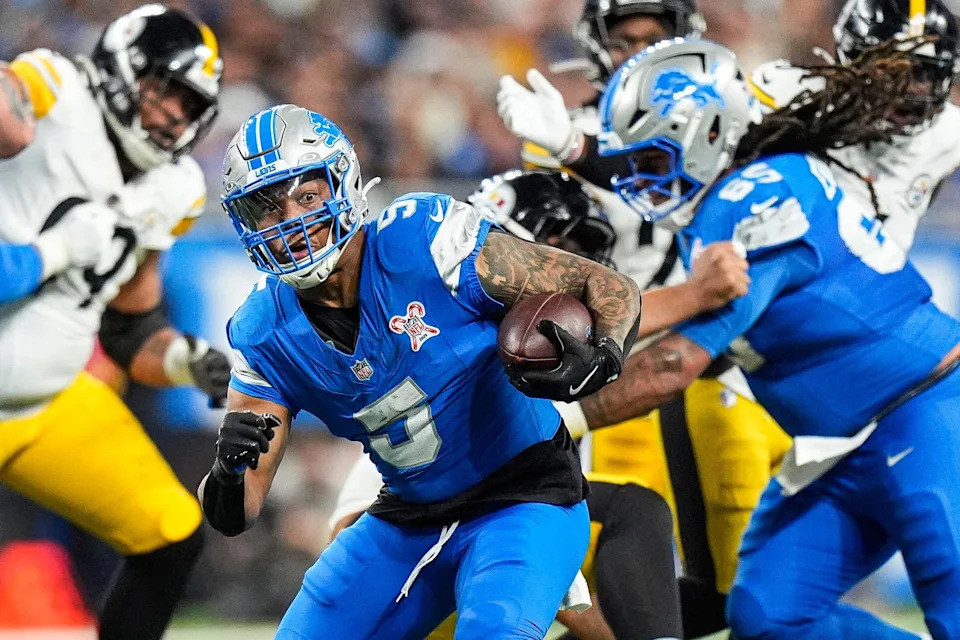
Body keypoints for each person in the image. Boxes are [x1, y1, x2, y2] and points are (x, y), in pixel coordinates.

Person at [200, 104, 642, 639]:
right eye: (266, 208)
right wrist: (225, 473)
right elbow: (236, 511)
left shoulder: (425, 242)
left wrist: (602, 357)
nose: (290, 220)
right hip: (407, 516)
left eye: (307, 196)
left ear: (344, 183)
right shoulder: (263, 329)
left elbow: (608, 287)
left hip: (526, 500)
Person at [591, 36, 960, 639]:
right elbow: (704, 347)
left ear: (709, 133)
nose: (641, 178)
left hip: (927, 415)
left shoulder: (755, 199)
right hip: (844, 445)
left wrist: (561, 422)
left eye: (653, 158)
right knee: (769, 619)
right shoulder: (733, 203)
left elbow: (675, 366)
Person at [325, 168, 750, 640]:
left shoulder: (468, 342)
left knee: (630, 540)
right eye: (560, 247)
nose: (577, 265)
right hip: (434, 581)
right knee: (631, 513)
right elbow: (648, 379)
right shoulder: (469, 359)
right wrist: (699, 295)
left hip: (461, 575)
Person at [497, 3, 791, 635]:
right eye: (624, 38)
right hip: (607, 363)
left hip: (700, 356)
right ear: (596, 44)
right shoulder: (560, 125)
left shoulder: (720, 114)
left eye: (653, 39)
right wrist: (574, 147)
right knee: (616, 570)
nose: (636, 51)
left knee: (731, 582)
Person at [0, 5, 229, 639]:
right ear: (121, 69)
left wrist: (183, 359)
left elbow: (129, 328)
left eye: (190, 108)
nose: (173, 118)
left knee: (171, 537)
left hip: (47, 404)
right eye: (165, 93)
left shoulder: (174, 187)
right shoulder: (56, 93)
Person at [749, 0, 960, 259]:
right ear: (851, 58)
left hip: (877, 286)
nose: (907, 88)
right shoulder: (793, 99)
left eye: (924, 73)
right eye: (889, 69)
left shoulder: (948, 136)